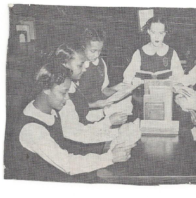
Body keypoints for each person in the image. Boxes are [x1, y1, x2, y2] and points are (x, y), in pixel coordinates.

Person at [4, 62, 133, 182]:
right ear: (46, 89)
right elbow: (68, 164)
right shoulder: (32, 129)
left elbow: (77, 131)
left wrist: (116, 133)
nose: (67, 98)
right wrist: (110, 157)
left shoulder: (50, 110)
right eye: (63, 92)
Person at [55, 44, 129, 126]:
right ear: (64, 64)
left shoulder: (73, 85)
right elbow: (75, 131)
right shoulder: (63, 93)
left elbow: (82, 114)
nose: (85, 68)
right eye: (80, 65)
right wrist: (108, 122)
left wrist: (104, 112)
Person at [123, 16, 184, 85]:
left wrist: (174, 80)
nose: (157, 37)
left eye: (160, 33)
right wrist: (133, 81)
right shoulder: (139, 53)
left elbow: (180, 77)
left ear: (165, 33)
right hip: (144, 93)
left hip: (165, 92)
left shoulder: (172, 52)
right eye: (153, 32)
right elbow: (127, 77)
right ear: (148, 31)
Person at [78, 28, 127, 108]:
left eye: (99, 51)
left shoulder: (101, 63)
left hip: (100, 107)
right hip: (84, 110)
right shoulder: (76, 67)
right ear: (83, 47)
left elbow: (103, 91)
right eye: (93, 51)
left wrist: (115, 88)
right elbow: (72, 103)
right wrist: (95, 105)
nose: (97, 55)